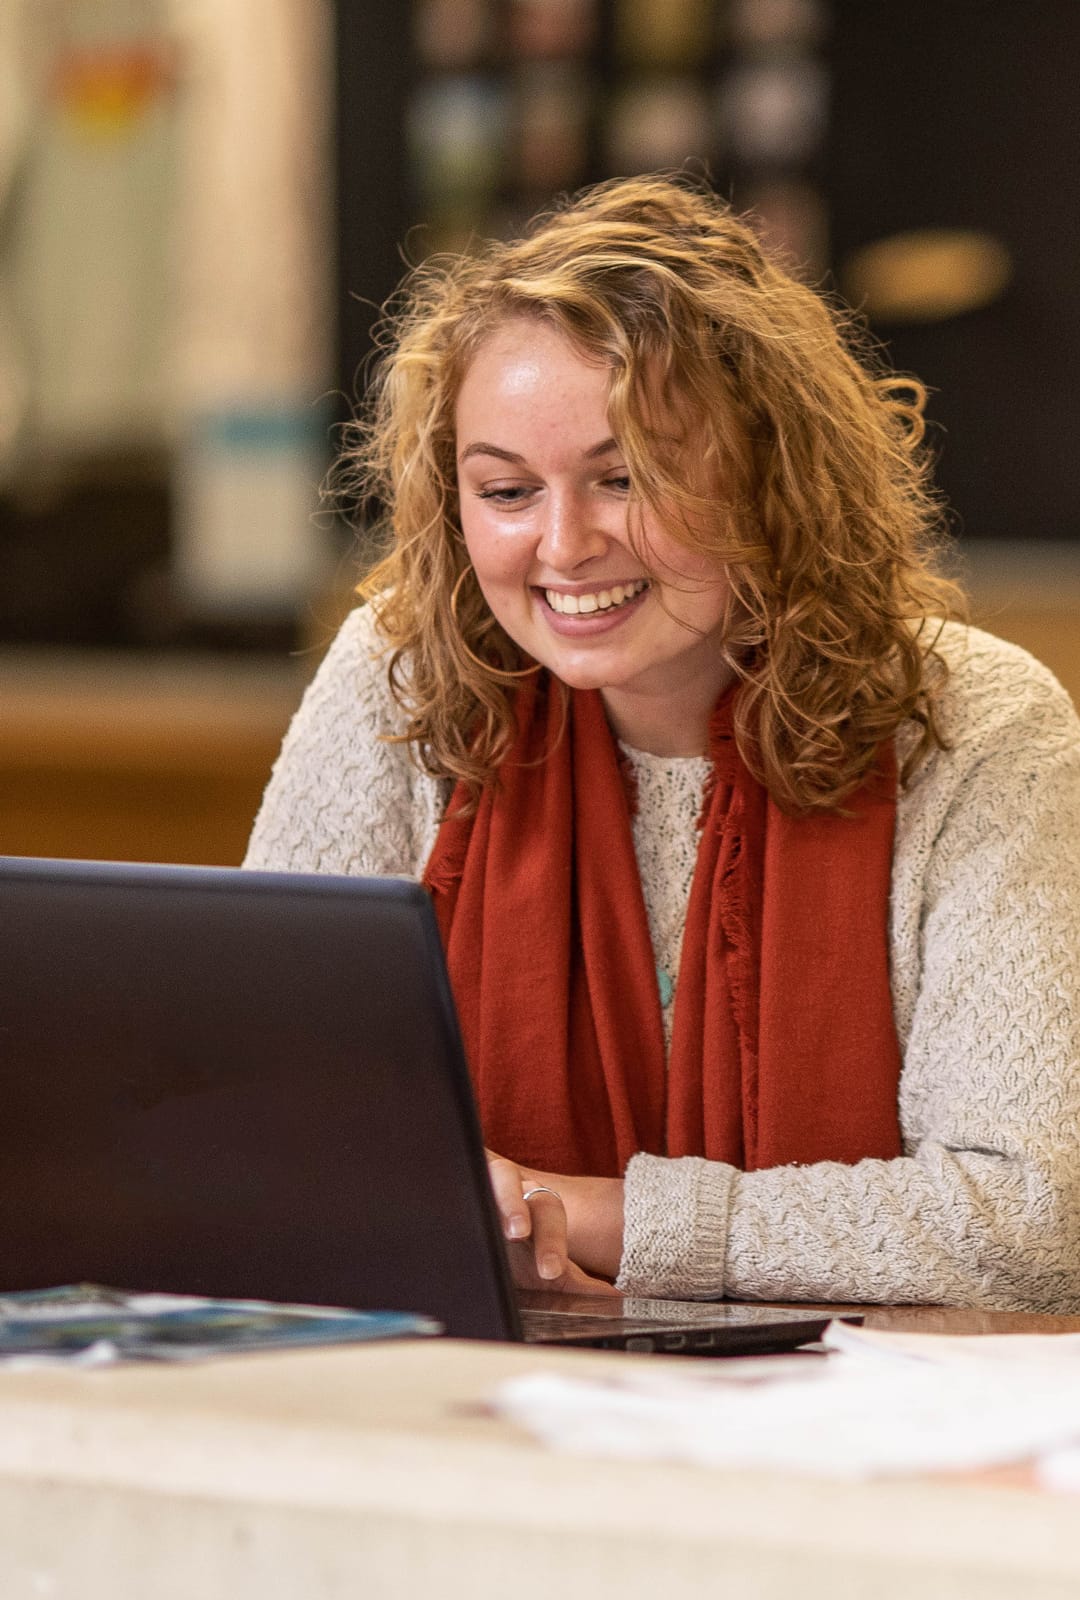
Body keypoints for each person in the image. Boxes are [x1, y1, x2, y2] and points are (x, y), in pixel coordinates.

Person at [246, 175, 1080, 1310]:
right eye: (504, 489)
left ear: (772, 476)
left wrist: (587, 1213)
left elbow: (1028, 1222)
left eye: (625, 477)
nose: (563, 545)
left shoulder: (981, 724)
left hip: (850, 1444)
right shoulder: (400, 674)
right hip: (470, 1403)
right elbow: (261, 1110)